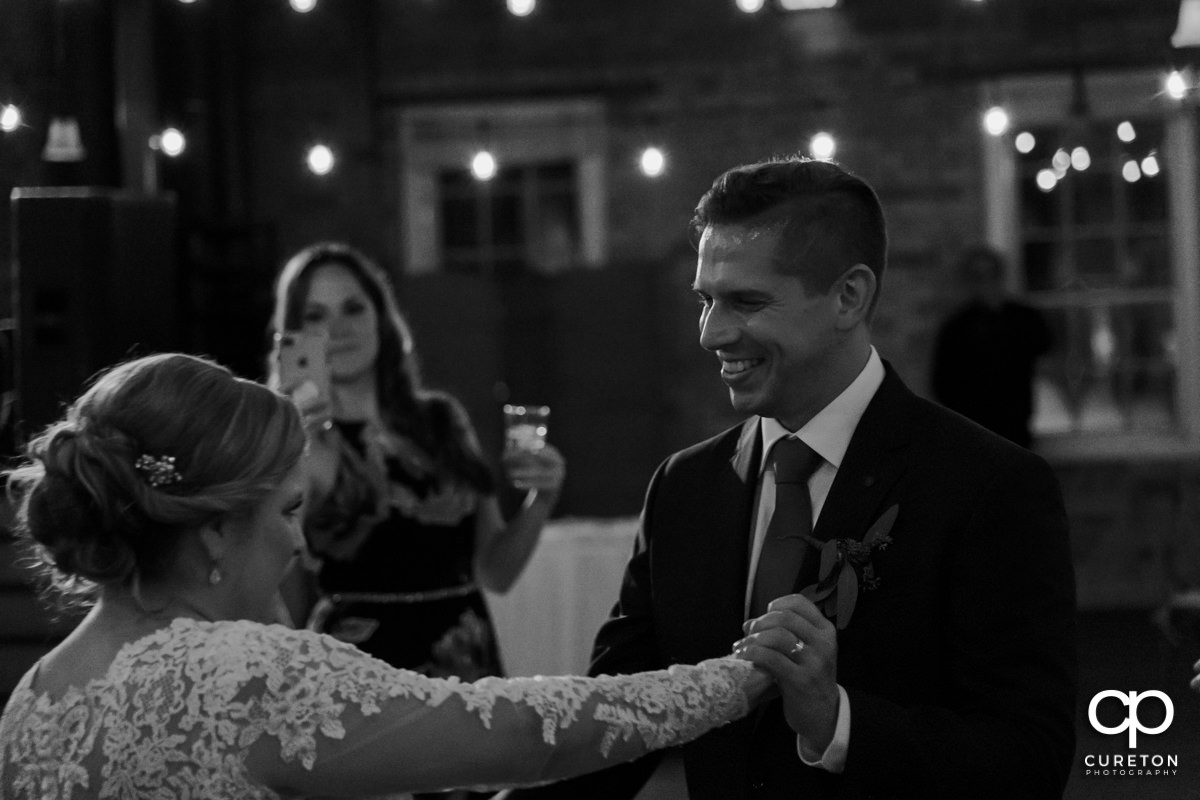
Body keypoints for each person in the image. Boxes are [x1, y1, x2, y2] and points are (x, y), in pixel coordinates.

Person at [506, 157, 1077, 800]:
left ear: (849, 296)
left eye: (746, 301)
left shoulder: (988, 488)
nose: (710, 334)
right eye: (705, 301)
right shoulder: (684, 488)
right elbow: (621, 725)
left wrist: (838, 723)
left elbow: (1029, 761)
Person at [0, 352, 775, 799]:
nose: (299, 546)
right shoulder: (241, 676)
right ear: (214, 529)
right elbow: (522, 736)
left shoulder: (32, 700)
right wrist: (735, 682)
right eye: (289, 511)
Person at [268, 242, 566, 681]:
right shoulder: (295, 443)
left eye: (353, 307)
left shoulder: (441, 420)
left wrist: (541, 499)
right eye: (315, 316)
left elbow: (496, 572)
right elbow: (275, 588)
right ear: (293, 335)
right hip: (357, 672)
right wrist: (287, 451)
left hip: (462, 661)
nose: (338, 328)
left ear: (381, 318)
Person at [930, 244, 1052, 449]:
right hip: (974, 426)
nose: (986, 283)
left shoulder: (1022, 317)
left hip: (1016, 421)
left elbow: (1042, 346)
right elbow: (943, 381)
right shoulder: (958, 326)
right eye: (978, 277)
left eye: (991, 275)